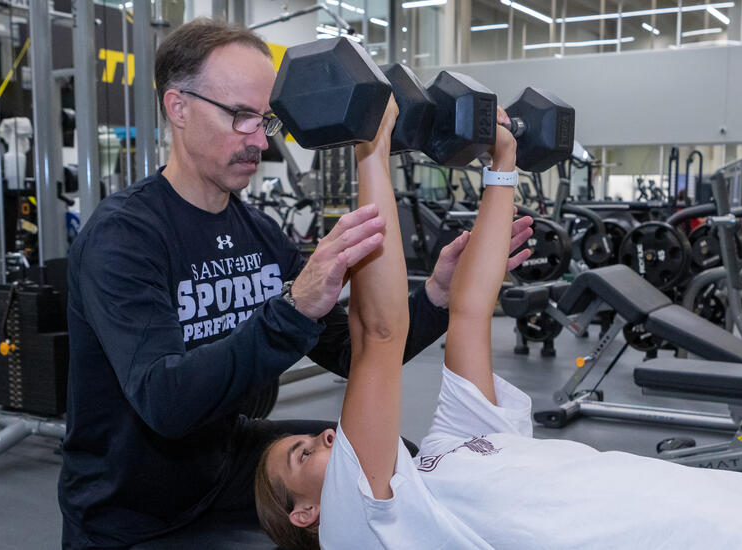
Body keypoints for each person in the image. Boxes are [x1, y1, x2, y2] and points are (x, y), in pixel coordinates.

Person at [253, 106, 742, 550]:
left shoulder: (453, 446)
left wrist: (502, 164)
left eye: (310, 436)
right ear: (307, 517)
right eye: (302, 455)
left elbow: (469, 307)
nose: (322, 439)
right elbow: (380, 335)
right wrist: (371, 148)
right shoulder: (379, 527)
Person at [59, 20, 533, 549]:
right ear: (179, 107)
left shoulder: (259, 234)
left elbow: (355, 354)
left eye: (266, 120)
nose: (260, 140)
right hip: (130, 506)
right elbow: (165, 403)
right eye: (241, 117)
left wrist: (438, 298)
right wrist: (292, 308)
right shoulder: (123, 237)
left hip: (226, 458)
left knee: (380, 453)